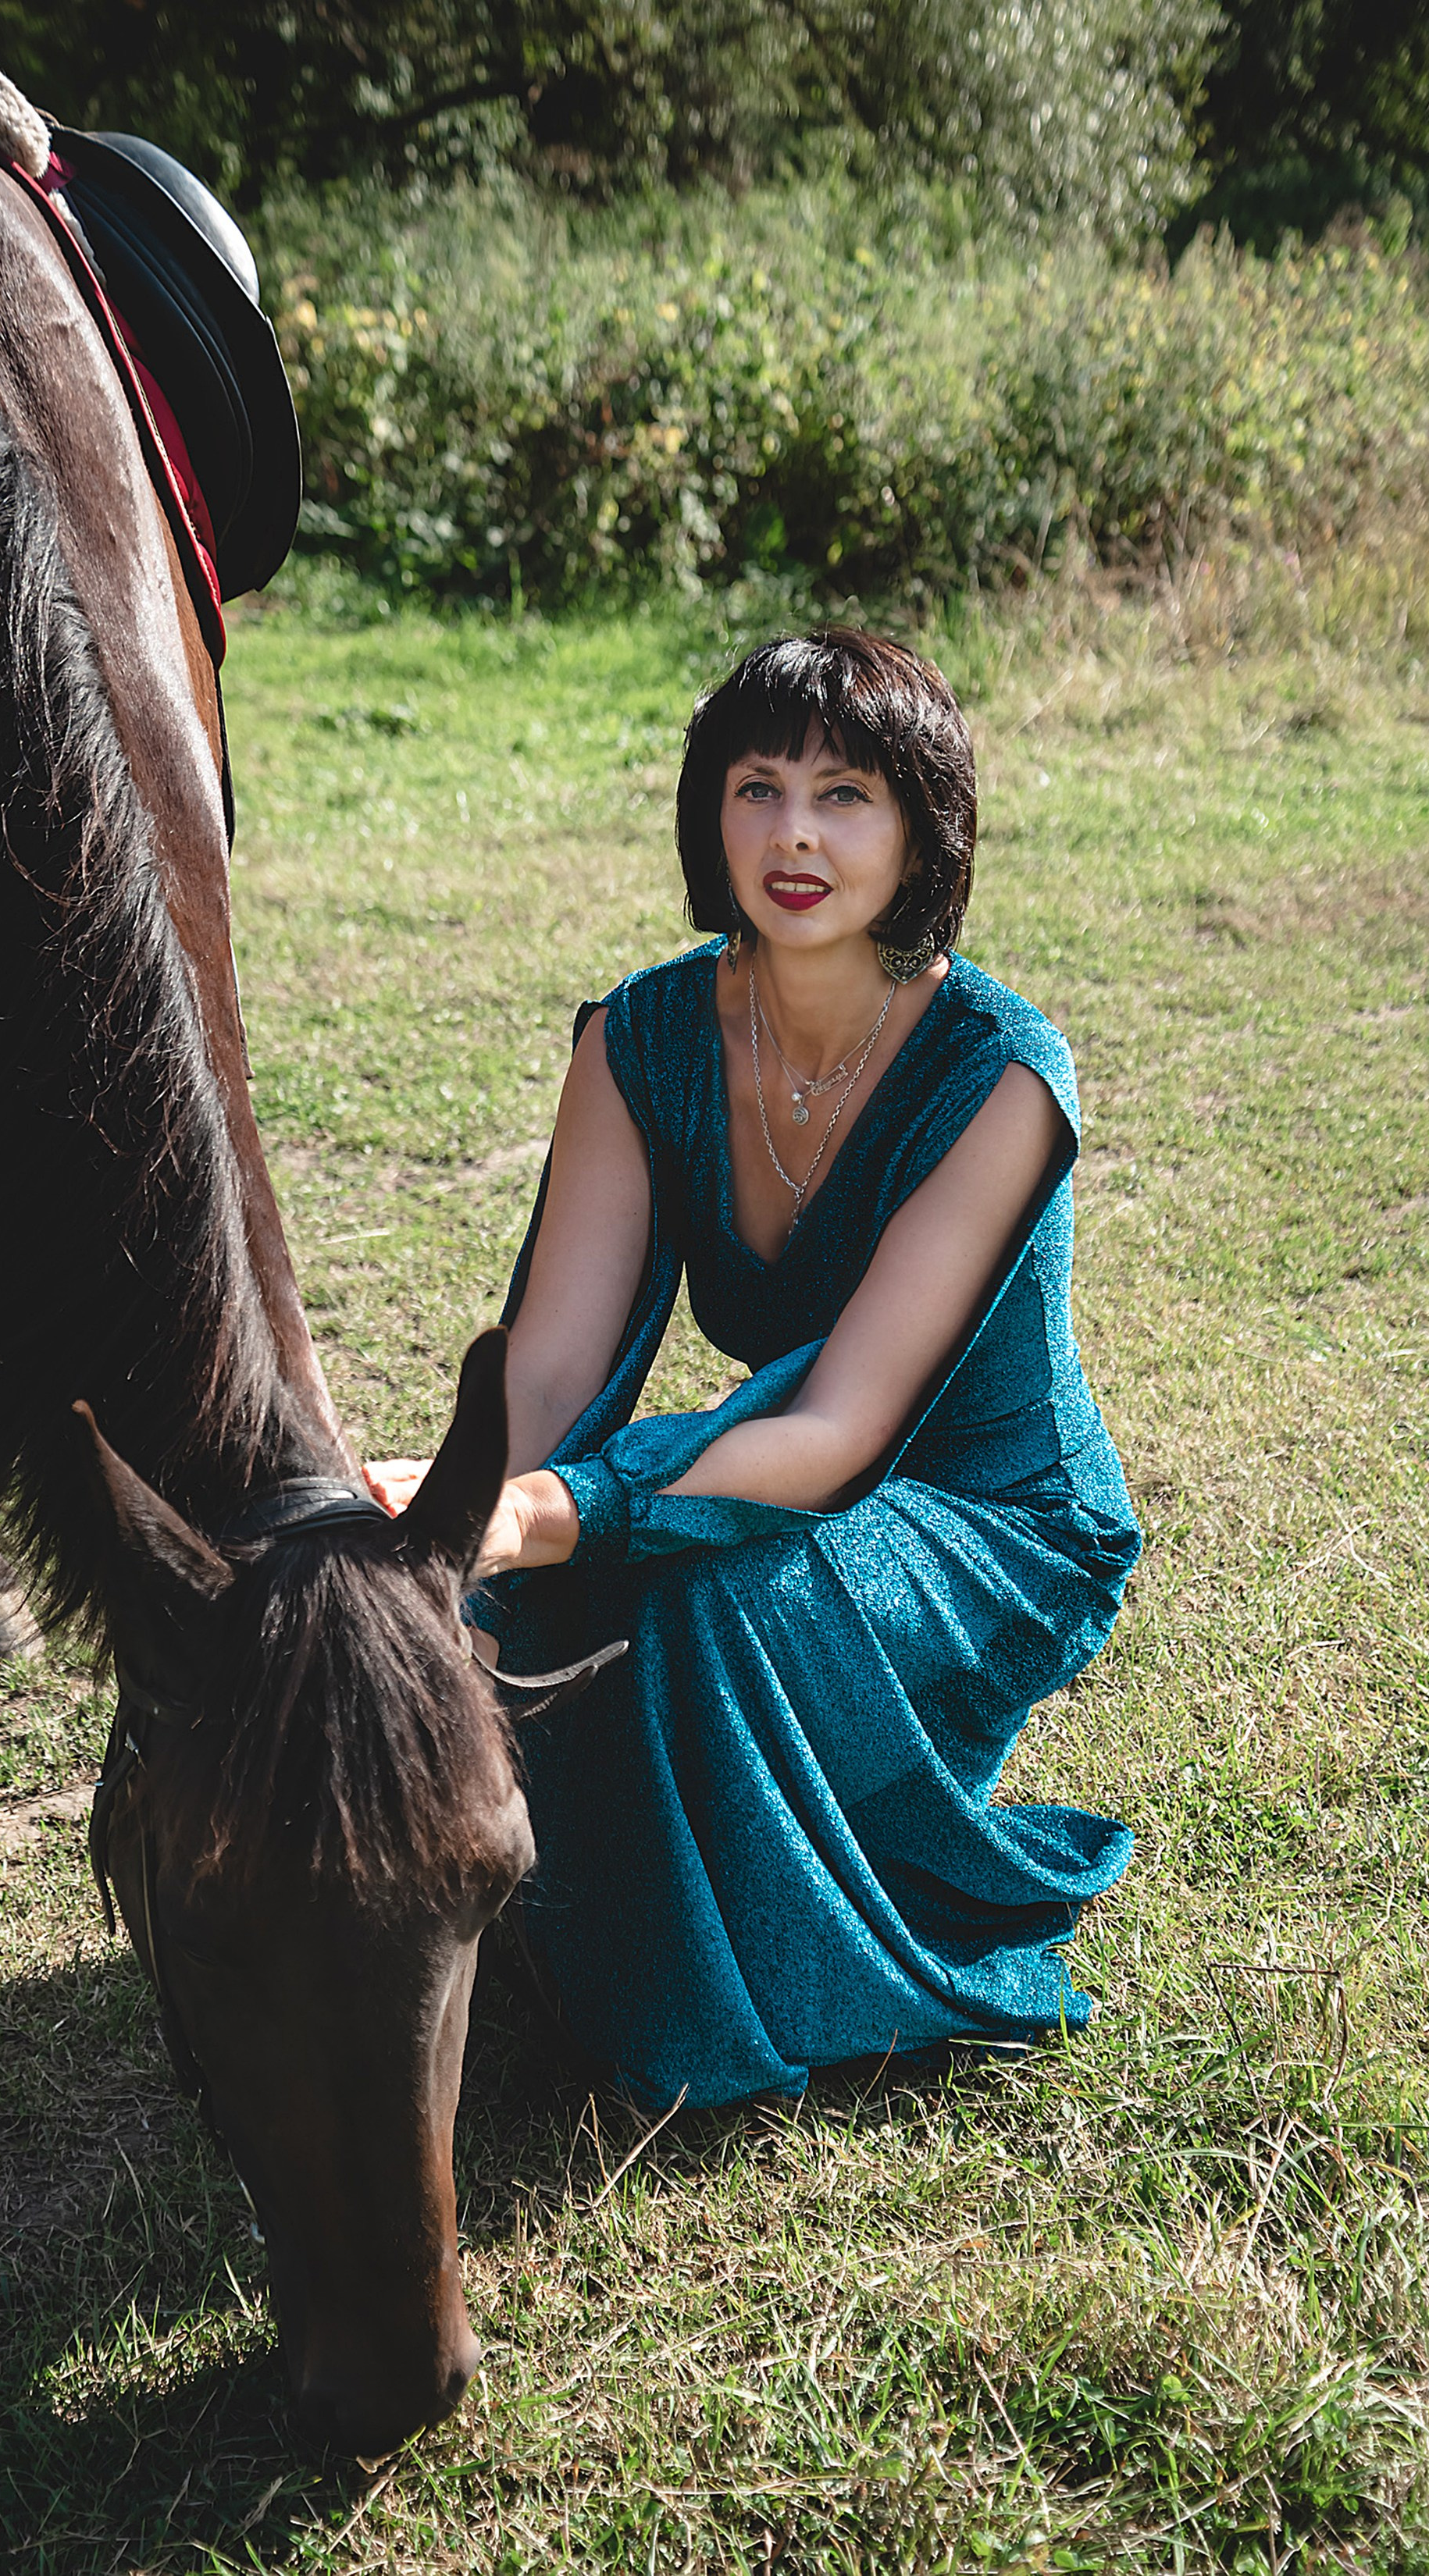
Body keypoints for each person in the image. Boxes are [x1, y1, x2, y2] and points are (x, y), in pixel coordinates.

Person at [370, 629, 1141, 2112]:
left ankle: (702, 2006)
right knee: (521, 1591)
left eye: (846, 793)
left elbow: (849, 1429)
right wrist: (458, 1524)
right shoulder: (640, 1036)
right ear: (704, 812)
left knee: (693, 1606)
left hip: (990, 1517)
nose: (793, 834)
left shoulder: (1002, 1074)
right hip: (777, 1461)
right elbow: (550, 1367)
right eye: (756, 786)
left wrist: (558, 1512)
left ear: (919, 830)